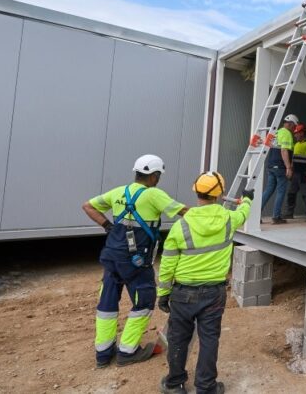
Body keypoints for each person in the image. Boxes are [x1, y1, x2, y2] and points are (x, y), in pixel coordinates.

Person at [81, 154, 187, 368]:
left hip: (111, 257)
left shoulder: (119, 192)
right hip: (135, 262)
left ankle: (103, 353)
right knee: (144, 301)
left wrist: (108, 226)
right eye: (158, 176)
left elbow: (88, 206)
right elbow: (185, 213)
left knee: (107, 303)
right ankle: (127, 351)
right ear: (154, 176)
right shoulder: (154, 195)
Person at [157, 172, 252, 394]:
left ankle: (174, 383)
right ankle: (206, 386)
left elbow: (167, 264)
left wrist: (163, 293)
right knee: (209, 339)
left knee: (179, 338)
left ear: (196, 191)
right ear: (219, 195)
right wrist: (247, 198)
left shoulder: (181, 226)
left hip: (183, 293)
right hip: (213, 293)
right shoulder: (228, 220)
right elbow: (244, 212)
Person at [262, 113, 298, 224]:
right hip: (280, 167)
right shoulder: (287, 134)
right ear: (291, 124)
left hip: (271, 165)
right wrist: (288, 167)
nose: (294, 129)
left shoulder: (276, 132)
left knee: (268, 190)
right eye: (294, 126)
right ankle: (276, 216)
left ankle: (255, 215)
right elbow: (284, 150)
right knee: (281, 191)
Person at [283, 123, 306, 221]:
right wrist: (291, 170)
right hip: (295, 174)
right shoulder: (296, 144)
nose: (295, 135)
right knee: (291, 194)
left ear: (302, 133)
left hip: (304, 174)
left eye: (297, 133)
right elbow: (293, 159)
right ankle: (289, 213)